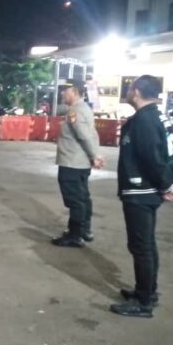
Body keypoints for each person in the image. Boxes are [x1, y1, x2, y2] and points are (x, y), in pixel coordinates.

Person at [110, 75, 173, 318]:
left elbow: (152, 156)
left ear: (137, 91)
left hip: (141, 191)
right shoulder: (155, 115)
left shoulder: (144, 119)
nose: (128, 91)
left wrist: (165, 185)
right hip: (146, 190)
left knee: (141, 246)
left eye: (130, 88)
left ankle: (143, 302)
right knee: (147, 244)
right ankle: (147, 291)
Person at [51, 79, 104, 248]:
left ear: (74, 91)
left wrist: (94, 155)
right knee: (82, 197)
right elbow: (92, 134)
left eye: (65, 90)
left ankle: (75, 235)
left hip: (72, 162)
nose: (62, 93)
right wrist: (94, 154)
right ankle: (84, 230)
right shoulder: (84, 108)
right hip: (80, 162)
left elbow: (84, 135)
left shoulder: (75, 111)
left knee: (75, 200)